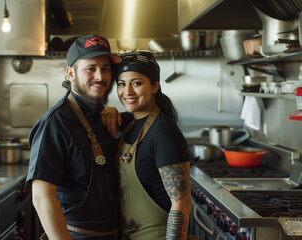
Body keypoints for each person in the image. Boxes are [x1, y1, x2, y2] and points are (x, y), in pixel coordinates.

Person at [26, 34, 122, 240]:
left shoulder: (104, 117)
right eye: (91, 68)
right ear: (70, 73)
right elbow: (42, 197)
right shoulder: (54, 123)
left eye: (105, 69)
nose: (100, 76)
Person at [114, 51, 192, 240]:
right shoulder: (129, 123)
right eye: (121, 84)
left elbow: (181, 203)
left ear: (155, 85)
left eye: (137, 83)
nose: (128, 92)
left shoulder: (163, 134)